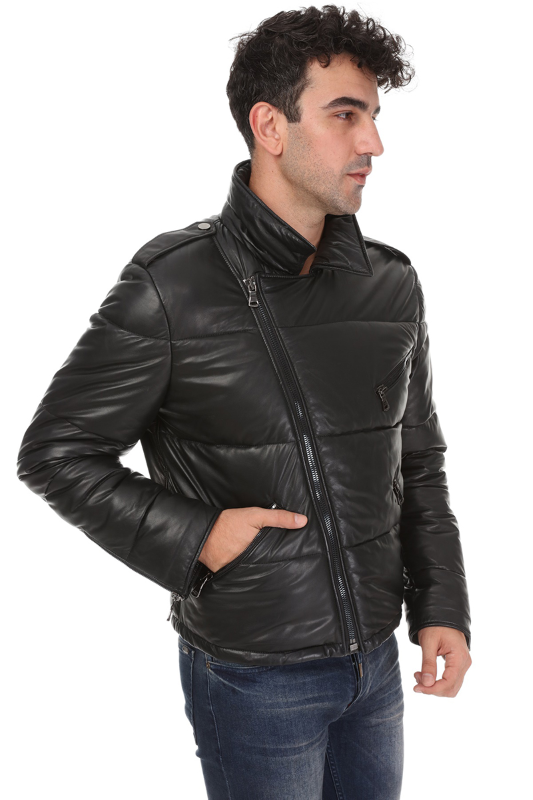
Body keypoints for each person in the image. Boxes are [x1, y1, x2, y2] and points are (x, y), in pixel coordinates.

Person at [16, 5, 472, 798]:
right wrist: (199, 536)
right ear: (269, 126)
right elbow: (55, 453)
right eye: (344, 115)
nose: (372, 142)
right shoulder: (173, 287)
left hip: (376, 664)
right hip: (253, 677)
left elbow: (418, 461)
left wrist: (442, 607)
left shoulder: (390, 283)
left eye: (372, 116)